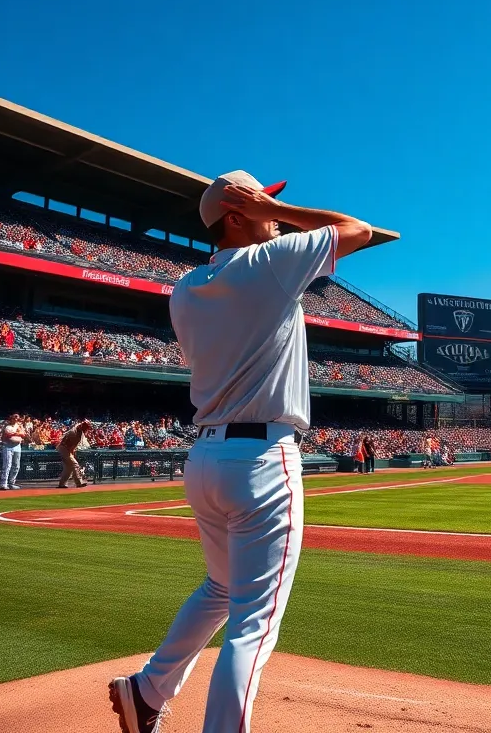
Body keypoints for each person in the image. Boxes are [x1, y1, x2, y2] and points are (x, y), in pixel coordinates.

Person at [109, 169, 372, 733]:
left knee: (223, 588)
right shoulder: (268, 265)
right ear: (235, 216)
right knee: (252, 622)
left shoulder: (185, 286)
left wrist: (260, 214)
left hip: (205, 459)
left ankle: (149, 691)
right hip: (261, 460)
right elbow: (359, 230)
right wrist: (287, 213)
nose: (272, 213)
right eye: (261, 205)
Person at [57, 419, 91, 489]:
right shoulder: (76, 433)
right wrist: (72, 455)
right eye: (87, 428)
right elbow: (71, 448)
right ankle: (79, 483)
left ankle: (62, 484)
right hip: (64, 449)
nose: (87, 430)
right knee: (75, 464)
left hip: (63, 448)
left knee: (69, 468)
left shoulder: (77, 429)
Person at [0, 412, 25, 491]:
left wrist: (18, 433)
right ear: (11, 418)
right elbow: (8, 435)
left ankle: (12, 483)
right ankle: (4, 483)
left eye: (17, 418)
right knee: (7, 465)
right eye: (14, 417)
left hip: (17, 447)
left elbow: (23, 434)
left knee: (16, 466)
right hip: (8, 447)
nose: (16, 419)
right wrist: (18, 433)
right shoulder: (7, 426)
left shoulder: (19, 426)